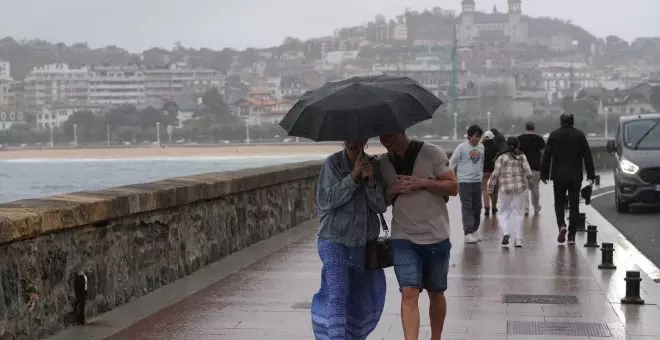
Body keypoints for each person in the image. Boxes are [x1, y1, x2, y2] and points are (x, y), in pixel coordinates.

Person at [378, 132, 458, 340]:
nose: (385, 140)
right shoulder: (383, 163)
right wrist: (391, 191)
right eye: (381, 136)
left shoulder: (432, 153)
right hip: (403, 237)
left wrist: (423, 183)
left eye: (389, 134)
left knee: (436, 292)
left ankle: (436, 337)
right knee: (409, 292)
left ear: (401, 130)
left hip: (436, 236)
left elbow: (453, 187)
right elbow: (380, 202)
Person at [311, 138, 388, 340]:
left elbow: (380, 206)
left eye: (358, 145)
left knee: (359, 297)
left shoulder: (375, 164)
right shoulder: (332, 164)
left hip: (363, 242)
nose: (355, 150)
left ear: (365, 141)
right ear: (344, 143)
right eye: (350, 146)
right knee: (337, 292)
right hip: (334, 238)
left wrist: (371, 183)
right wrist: (353, 177)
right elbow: (326, 201)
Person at [540, 112, 596, 245]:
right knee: (574, 204)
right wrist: (591, 175)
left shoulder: (554, 135)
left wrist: (544, 174)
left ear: (560, 122)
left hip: (558, 175)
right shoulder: (579, 135)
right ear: (573, 121)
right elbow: (587, 156)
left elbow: (546, 156)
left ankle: (561, 225)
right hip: (575, 175)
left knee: (559, 202)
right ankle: (571, 235)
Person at [488, 137, 534, 248]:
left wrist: (490, 188)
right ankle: (518, 240)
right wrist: (531, 183)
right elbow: (528, 171)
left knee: (504, 212)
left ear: (506, 145)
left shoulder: (501, 157)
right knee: (519, 213)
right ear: (517, 145)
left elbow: (495, 174)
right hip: (519, 188)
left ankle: (506, 233)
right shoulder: (521, 156)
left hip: (505, 188)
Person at [449, 125, 485, 244]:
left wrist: (482, 179)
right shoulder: (462, 147)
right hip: (464, 181)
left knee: (478, 206)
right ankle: (468, 232)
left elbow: (481, 164)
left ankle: (475, 230)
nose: (478, 139)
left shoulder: (481, 147)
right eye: (475, 136)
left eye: (479, 136)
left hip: (477, 181)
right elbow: (452, 162)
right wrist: (450, 178)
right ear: (469, 136)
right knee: (467, 206)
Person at [517, 122, 546, 216]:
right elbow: (542, 153)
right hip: (535, 167)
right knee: (535, 189)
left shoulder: (519, 139)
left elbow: (516, 153)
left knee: (524, 188)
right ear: (534, 128)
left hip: (522, 167)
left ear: (525, 128)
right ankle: (536, 206)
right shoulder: (539, 139)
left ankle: (526, 208)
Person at [481, 130, 500, 216]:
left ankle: (486, 208)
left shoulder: (481, 147)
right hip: (494, 171)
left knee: (485, 189)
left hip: (484, 171)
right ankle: (494, 207)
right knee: (494, 190)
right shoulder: (496, 147)